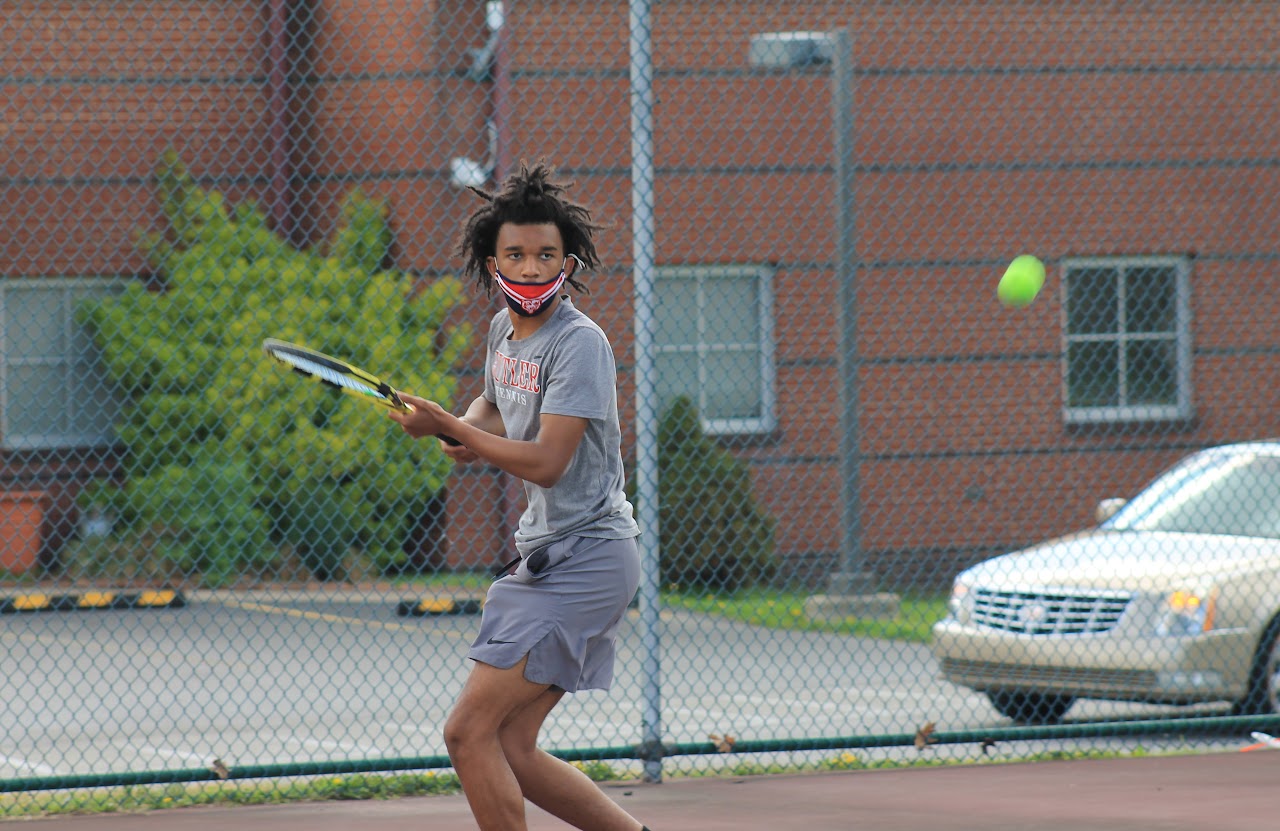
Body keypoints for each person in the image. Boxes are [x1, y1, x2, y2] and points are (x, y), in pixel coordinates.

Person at [390, 160, 651, 831]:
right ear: (491, 259)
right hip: (544, 558)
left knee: (466, 730)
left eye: (545, 254)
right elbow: (498, 405)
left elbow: (545, 460)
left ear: (567, 260)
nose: (531, 268)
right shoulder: (505, 332)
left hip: (589, 559)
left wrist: (451, 428)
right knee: (513, 744)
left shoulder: (580, 344)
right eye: (516, 254)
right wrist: (468, 427)